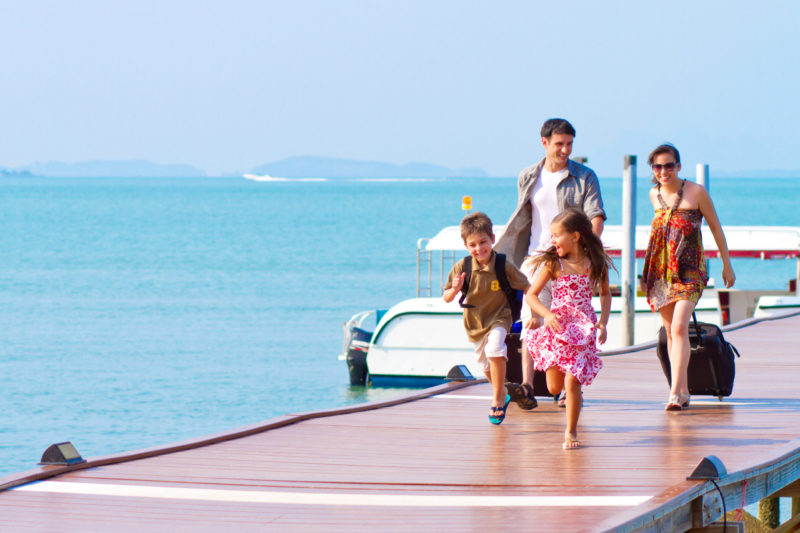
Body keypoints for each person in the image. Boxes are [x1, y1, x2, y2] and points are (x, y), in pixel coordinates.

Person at [495, 118, 606, 410]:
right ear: (544, 143)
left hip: (569, 261)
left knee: (569, 324)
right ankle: (528, 386)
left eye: (569, 144)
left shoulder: (585, 176)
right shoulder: (528, 175)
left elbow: (595, 215)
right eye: (559, 144)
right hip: (536, 258)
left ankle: (568, 388)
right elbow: (524, 215)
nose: (565, 150)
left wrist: (589, 252)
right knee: (531, 319)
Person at [641, 143, 735, 411]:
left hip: (691, 271)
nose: (663, 171)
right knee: (671, 331)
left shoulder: (697, 192)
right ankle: (681, 391)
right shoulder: (654, 194)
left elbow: (715, 227)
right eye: (658, 167)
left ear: (678, 166)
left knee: (680, 326)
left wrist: (726, 264)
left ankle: (676, 393)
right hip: (661, 273)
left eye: (669, 165)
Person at [523, 208, 612, 449]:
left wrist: (603, 322)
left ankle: (570, 431)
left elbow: (605, 294)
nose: (553, 241)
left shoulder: (595, 263)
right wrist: (546, 314)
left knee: (572, 381)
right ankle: (568, 389)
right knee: (554, 387)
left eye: (556, 235)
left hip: (583, 330)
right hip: (558, 328)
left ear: (575, 236)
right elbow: (531, 295)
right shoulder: (554, 264)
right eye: (551, 236)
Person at [443, 212, 532, 425]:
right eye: (472, 245)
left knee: (495, 348)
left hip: (500, 317)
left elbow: (527, 286)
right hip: (474, 324)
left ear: (492, 239)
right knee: (484, 364)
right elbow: (446, 297)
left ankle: (497, 399)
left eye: (483, 242)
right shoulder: (462, 267)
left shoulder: (502, 264)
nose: (479, 248)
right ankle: (503, 392)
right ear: (466, 246)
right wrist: (454, 288)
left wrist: (534, 312)